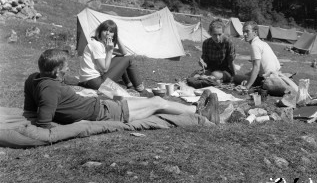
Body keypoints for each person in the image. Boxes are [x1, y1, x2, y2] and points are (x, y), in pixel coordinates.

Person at [24, 49, 220, 129]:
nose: (68, 68)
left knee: (145, 101)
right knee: (158, 103)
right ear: (58, 70)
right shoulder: (49, 88)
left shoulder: (34, 79)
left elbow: (31, 109)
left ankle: (199, 110)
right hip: (104, 114)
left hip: (101, 106)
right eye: (66, 66)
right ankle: (200, 113)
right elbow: (44, 122)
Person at [78, 20, 145, 93]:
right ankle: (140, 89)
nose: (107, 33)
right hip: (94, 82)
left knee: (122, 58)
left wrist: (116, 37)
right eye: (105, 30)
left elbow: (123, 52)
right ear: (100, 31)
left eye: (111, 31)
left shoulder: (103, 45)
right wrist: (109, 51)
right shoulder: (96, 45)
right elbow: (104, 69)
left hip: (91, 81)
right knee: (129, 59)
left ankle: (130, 86)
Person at [233, 21, 282, 90]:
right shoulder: (263, 43)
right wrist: (248, 75)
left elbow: (256, 68)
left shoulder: (254, 45)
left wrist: (247, 86)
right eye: (243, 31)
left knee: (236, 77)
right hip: (276, 75)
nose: (244, 34)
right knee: (246, 75)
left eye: (247, 31)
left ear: (255, 32)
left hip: (265, 79)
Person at [198, 18, 236, 83]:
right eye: (215, 35)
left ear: (223, 32)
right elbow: (205, 63)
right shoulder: (206, 43)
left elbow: (231, 62)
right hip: (211, 69)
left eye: (219, 34)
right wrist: (202, 63)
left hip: (225, 70)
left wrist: (234, 75)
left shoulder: (228, 42)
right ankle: (216, 81)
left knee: (214, 75)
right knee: (197, 75)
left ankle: (218, 80)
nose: (217, 37)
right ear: (210, 33)